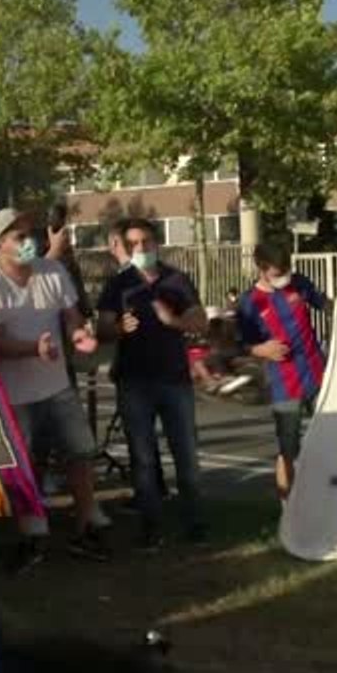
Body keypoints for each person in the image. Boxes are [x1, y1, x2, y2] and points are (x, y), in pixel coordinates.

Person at [0, 208, 109, 562]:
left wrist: (80, 337)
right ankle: (32, 533)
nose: (29, 241)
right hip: (16, 395)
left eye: (30, 234)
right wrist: (35, 349)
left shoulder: (53, 270)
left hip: (58, 386)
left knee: (80, 454)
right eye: (19, 236)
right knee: (26, 466)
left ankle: (86, 527)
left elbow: (71, 316)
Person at [97, 218, 208, 550]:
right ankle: (151, 525)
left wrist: (172, 320)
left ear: (156, 243)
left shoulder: (177, 280)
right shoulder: (119, 285)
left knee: (186, 454)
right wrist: (119, 328)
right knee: (143, 459)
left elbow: (200, 322)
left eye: (146, 241)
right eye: (133, 244)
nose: (141, 248)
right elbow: (101, 330)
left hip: (174, 380)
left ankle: (195, 522)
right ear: (126, 248)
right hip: (135, 383)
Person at [236, 243, 327, 499]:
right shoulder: (249, 302)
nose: (284, 277)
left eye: (286, 270)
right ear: (261, 269)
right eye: (277, 273)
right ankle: (287, 505)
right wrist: (260, 349)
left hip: (317, 375)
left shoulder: (298, 283)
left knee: (332, 437)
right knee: (288, 447)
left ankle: (328, 500)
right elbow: (241, 344)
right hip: (284, 384)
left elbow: (327, 305)